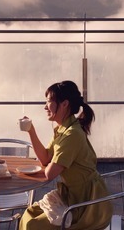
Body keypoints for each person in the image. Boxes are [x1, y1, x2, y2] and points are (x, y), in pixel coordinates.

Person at [19, 80, 112, 230]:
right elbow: (45, 158)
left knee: (33, 224)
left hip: (86, 205)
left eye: (49, 101)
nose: (45, 106)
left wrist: (31, 170)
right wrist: (31, 130)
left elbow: (49, 174)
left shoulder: (71, 134)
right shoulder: (63, 129)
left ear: (64, 104)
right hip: (72, 197)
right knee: (29, 214)